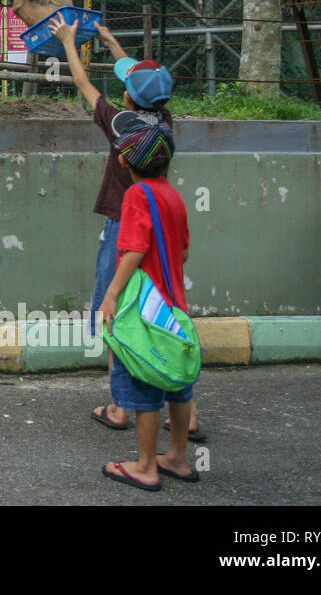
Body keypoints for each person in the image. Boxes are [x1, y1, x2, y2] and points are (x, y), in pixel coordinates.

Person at [48, 19, 203, 441]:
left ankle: (119, 405)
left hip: (126, 225)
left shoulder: (121, 126)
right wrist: (112, 42)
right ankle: (185, 414)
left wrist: (68, 44)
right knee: (164, 311)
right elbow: (139, 80)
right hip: (164, 225)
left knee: (116, 313)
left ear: (129, 97)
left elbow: (84, 86)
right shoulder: (165, 122)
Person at [96, 120, 196, 490]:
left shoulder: (137, 197)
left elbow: (135, 249)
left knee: (143, 387)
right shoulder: (173, 195)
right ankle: (179, 459)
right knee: (177, 387)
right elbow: (184, 250)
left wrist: (111, 294)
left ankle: (146, 466)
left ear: (125, 163)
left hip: (143, 309)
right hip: (174, 306)